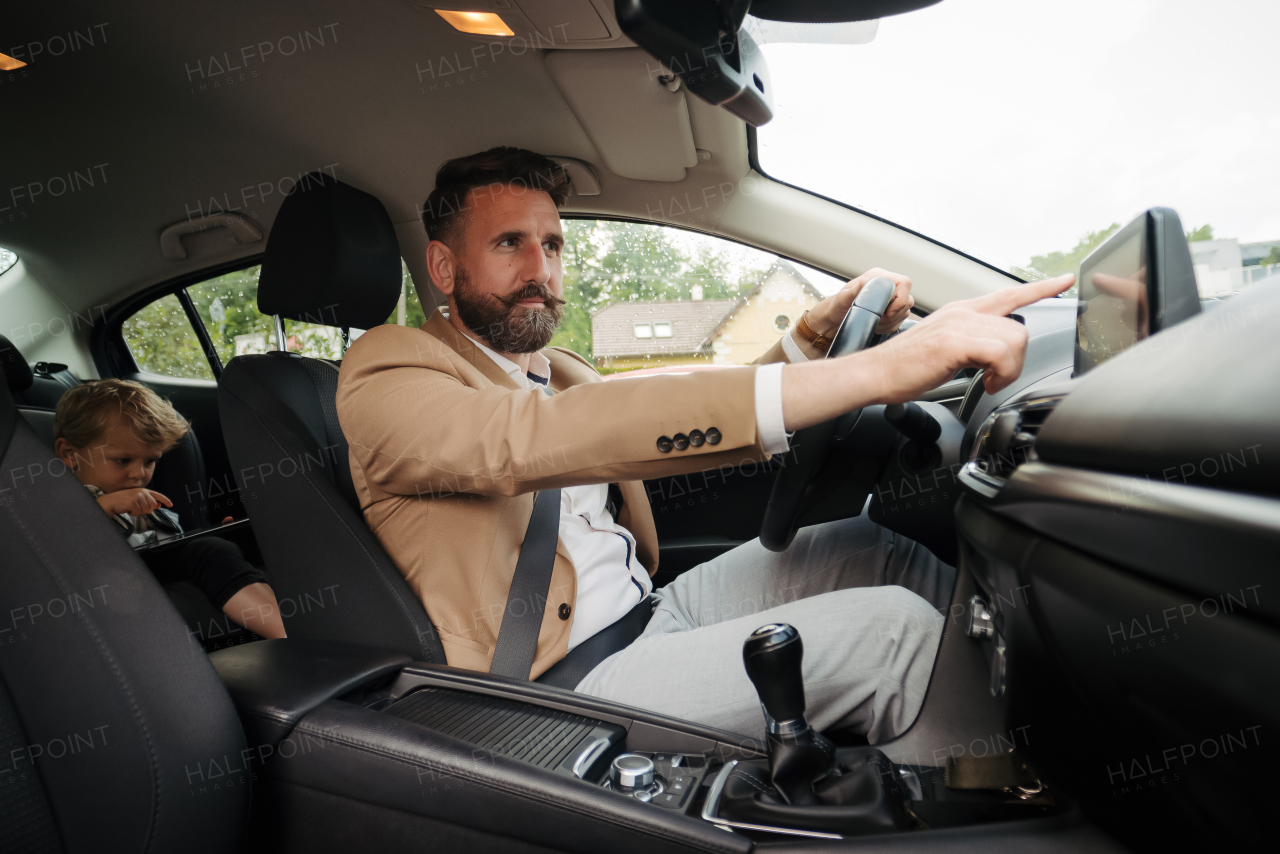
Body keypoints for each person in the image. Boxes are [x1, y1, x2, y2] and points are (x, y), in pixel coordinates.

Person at [335, 147, 1072, 741]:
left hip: (651, 612)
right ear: (443, 267)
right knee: (895, 636)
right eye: (509, 244)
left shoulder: (560, 370)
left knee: (873, 546)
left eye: (553, 244)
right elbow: (530, 439)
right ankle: (993, 795)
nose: (542, 269)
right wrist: (878, 371)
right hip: (558, 683)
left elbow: (693, 409)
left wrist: (819, 334)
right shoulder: (388, 368)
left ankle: (1043, 711)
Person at [53, 379, 287, 639]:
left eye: (151, 461)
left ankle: (299, 617)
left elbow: (173, 545)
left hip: (159, 562)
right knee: (209, 551)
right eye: (123, 460)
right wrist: (104, 507)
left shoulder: (146, 502)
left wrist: (211, 536)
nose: (139, 474)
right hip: (108, 577)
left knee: (239, 539)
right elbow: (58, 544)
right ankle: (288, 633)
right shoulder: (61, 499)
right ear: (71, 454)